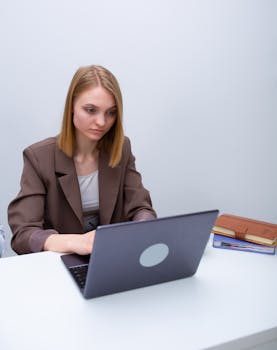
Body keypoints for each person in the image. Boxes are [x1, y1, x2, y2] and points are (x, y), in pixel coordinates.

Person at [8, 65, 156, 255]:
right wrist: (74, 242)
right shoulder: (39, 157)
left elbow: (140, 207)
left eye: (111, 112)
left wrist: (144, 227)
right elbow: (23, 234)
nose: (102, 122)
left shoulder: (121, 147)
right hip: (59, 266)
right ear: (72, 107)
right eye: (91, 110)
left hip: (111, 260)